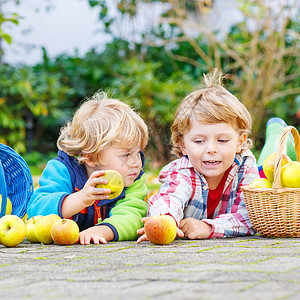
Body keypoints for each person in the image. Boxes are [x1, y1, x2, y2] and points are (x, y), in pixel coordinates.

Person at [137, 69, 259, 243]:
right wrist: (165, 218)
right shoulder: (182, 171)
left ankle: (276, 132)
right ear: (183, 144)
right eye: (199, 141)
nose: (211, 149)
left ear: (240, 141)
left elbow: (250, 218)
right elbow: (170, 196)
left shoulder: (245, 165)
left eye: (222, 140)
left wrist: (209, 227)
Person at [27, 91, 149, 245]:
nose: (136, 162)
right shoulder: (61, 170)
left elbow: (133, 216)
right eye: (126, 155)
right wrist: (81, 199)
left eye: (138, 152)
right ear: (90, 157)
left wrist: (102, 230)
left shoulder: (132, 179)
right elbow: (35, 210)